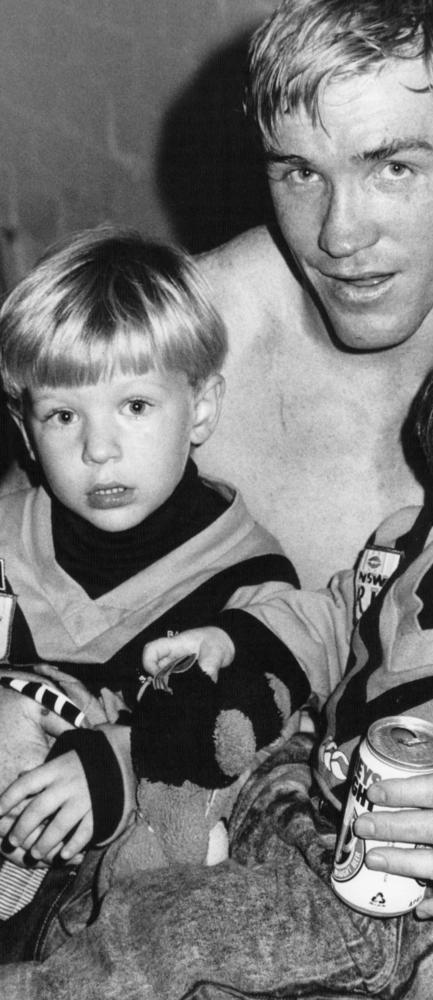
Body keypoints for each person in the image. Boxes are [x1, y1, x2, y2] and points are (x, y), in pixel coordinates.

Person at [0, 0, 433, 982]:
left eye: (394, 165)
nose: (340, 234)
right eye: (299, 171)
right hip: (232, 865)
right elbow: (27, 600)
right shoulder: (185, 353)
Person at [4, 308, 433, 999]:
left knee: (170, 930)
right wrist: (236, 637)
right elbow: (341, 613)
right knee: (151, 817)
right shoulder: (413, 549)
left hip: (408, 911)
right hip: (307, 804)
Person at [0, 226, 311, 955]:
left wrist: (128, 755)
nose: (98, 448)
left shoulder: (245, 577)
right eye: (63, 414)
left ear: (200, 407)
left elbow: (254, 729)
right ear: (24, 426)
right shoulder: (9, 538)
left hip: (119, 900)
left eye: (134, 407)